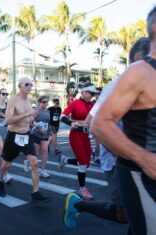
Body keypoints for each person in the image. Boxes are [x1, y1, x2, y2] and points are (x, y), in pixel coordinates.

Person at [63, 36, 150, 230]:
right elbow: (94, 124)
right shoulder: (118, 84)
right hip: (121, 164)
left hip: (142, 163)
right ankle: (77, 203)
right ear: (138, 58)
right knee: (128, 216)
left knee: (138, 218)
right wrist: (128, 157)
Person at [91, 8, 156, 235]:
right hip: (137, 172)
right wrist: (143, 158)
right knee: (127, 217)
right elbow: (98, 123)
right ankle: (79, 203)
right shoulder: (139, 73)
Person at [0, 77, 51, 203]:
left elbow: (28, 120)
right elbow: (8, 120)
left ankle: (35, 193)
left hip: (26, 135)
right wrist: (27, 114)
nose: (30, 86)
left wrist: (34, 121)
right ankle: (0, 181)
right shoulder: (12, 100)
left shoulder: (29, 101)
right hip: (13, 136)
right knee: (7, 164)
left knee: (34, 163)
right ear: (20, 86)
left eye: (31, 84)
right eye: (27, 84)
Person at [59, 82, 97, 200]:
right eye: (90, 93)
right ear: (84, 92)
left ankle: (65, 160)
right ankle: (82, 189)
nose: (91, 95)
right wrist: (71, 123)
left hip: (86, 135)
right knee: (83, 163)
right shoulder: (75, 103)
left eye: (92, 93)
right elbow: (62, 116)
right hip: (76, 135)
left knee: (86, 163)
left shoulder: (93, 104)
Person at [26, 95, 51, 178]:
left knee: (45, 151)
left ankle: (43, 170)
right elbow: (30, 122)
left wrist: (50, 131)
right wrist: (39, 128)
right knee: (36, 153)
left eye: (47, 102)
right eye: (44, 102)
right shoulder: (36, 111)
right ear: (39, 103)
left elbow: (48, 123)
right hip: (36, 134)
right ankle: (28, 162)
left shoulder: (48, 111)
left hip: (45, 134)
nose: (46, 103)